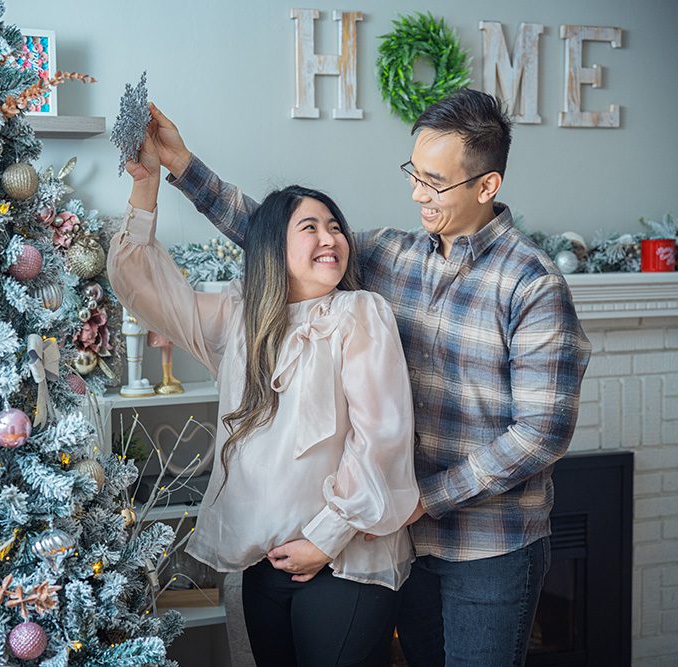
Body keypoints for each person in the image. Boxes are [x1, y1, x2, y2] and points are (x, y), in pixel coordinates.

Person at [147, 89, 591, 667]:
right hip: (395, 541)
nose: (416, 193)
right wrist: (183, 168)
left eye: (435, 182)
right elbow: (278, 235)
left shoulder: (531, 284)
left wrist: (425, 499)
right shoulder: (390, 255)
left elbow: (541, 433)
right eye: (414, 172)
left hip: (487, 547)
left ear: (487, 186)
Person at [108, 126, 420, 667]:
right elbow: (144, 289)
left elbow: (382, 441)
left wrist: (325, 539)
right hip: (264, 565)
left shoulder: (360, 313)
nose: (331, 238)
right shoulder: (240, 316)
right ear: (273, 244)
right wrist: (145, 187)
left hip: (345, 562)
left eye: (335, 227)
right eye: (310, 227)